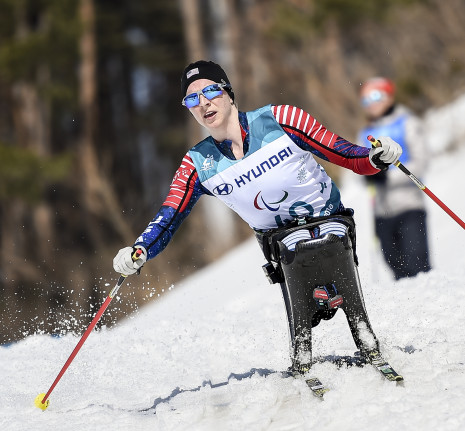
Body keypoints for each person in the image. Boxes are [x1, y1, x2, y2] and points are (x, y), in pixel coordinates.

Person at [113, 60, 404, 375]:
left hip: (329, 218)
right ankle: (303, 348)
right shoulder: (198, 162)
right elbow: (168, 217)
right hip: (281, 241)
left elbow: (346, 154)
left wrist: (376, 157)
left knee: (329, 244)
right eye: (192, 99)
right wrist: (140, 251)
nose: (203, 103)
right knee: (297, 250)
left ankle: (363, 334)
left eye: (210, 91)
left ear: (229, 93)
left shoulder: (281, 119)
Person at [357, 77, 431, 280]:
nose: (372, 103)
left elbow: (421, 162)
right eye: (366, 99)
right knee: (396, 270)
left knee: (418, 269)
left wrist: (387, 177)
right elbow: (356, 166)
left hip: (409, 207)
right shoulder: (366, 132)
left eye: (376, 96)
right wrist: (366, 176)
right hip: (382, 212)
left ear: (389, 96)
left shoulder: (407, 122)